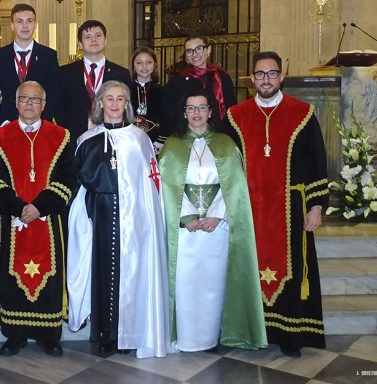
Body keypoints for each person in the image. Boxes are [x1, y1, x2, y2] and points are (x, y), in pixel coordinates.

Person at [227, 51, 328, 357]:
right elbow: (226, 166)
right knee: (249, 269)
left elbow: (316, 163)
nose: (266, 80)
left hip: (292, 211)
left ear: (282, 76)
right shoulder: (235, 116)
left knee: (293, 271)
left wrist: (316, 206)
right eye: (260, 74)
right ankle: (253, 332)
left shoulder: (303, 113)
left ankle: (290, 337)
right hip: (250, 211)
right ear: (251, 79)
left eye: (271, 74)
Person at [159, 89, 267, 353]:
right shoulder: (171, 145)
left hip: (217, 228)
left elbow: (235, 187)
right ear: (184, 114)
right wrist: (186, 216)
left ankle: (209, 337)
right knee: (185, 283)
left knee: (212, 284)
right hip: (185, 230)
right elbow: (165, 187)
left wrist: (217, 214)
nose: (196, 113)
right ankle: (184, 337)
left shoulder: (226, 144)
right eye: (191, 108)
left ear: (210, 111)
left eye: (202, 107)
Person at [67, 80, 169, 358]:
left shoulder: (139, 139)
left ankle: (130, 333)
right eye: (108, 99)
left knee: (132, 273)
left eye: (120, 99)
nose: (114, 104)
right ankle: (104, 334)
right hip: (99, 215)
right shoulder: (86, 139)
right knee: (102, 272)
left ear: (127, 105)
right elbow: (79, 183)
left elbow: (150, 183)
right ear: (99, 103)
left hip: (134, 218)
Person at [0, 81, 74, 357]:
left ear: (44, 105)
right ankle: (15, 334)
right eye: (24, 98)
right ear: (16, 102)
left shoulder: (62, 136)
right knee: (12, 276)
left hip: (49, 222)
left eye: (36, 99)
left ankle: (49, 335)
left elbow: (68, 178)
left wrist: (40, 207)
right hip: (12, 222)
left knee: (50, 275)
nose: (30, 104)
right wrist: (19, 208)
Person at [56, 20, 131, 144]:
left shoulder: (121, 73)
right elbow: (59, 108)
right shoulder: (65, 73)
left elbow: (127, 107)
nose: (93, 40)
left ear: (105, 40)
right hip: (75, 138)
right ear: (80, 44)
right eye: (88, 37)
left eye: (98, 35)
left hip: (112, 138)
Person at [0, 3, 60, 126]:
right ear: (12, 25)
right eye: (19, 21)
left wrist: (42, 120)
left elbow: (54, 93)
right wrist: (3, 121)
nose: (25, 26)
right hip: (7, 123)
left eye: (29, 21)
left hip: (40, 123)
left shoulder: (48, 55)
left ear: (35, 24)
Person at [163, 35, 236, 129]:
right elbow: (170, 111)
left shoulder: (222, 76)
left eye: (199, 48)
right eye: (189, 51)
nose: (194, 54)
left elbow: (231, 107)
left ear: (208, 50)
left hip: (220, 133)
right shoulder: (177, 81)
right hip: (188, 135)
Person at [129, 47, 170, 152]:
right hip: (130, 142)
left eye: (148, 62)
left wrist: (157, 141)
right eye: (139, 63)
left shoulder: (163, 91)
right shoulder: (125, 91)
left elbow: (167, 119)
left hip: (156, 144)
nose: (144, 66)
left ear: (155, 65)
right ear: (133, 65)